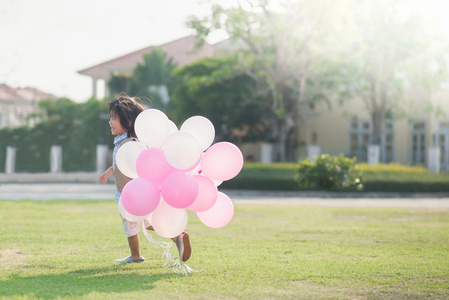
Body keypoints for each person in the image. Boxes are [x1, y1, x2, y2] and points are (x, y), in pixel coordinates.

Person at [98, 93, 191, 264]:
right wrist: (109, 171)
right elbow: (121, 164)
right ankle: (176, 236)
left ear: (127, 123)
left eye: (113, 119)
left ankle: (138, 254)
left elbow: (136, 166)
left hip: (131, 195)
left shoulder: (130, 144)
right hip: (133, 193)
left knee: (132, 227)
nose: (109, 122)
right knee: (145, 224)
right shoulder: (123, 142)